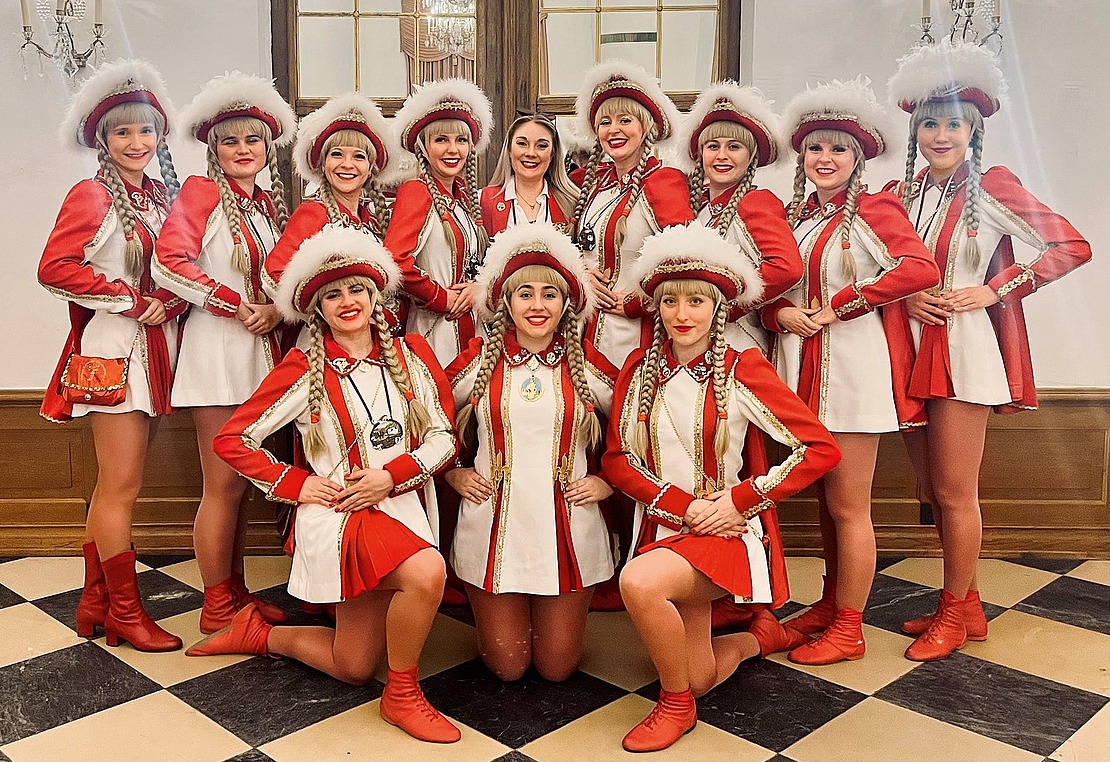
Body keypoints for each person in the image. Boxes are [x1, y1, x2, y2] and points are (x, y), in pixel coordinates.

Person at [189, 226, 460, 744]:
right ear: (317, 310)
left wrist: (390, 476)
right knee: (426, 574)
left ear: (377, 295)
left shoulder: (414, 355)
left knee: (351, 664)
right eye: (331, 294)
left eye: (357, 289)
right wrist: (298, 483)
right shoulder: (303, 369)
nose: (347, 301)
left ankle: (262, 635)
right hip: (340, 515)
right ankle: (402, 694)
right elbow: (234, 440)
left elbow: (444, 438)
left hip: (399, 504)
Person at [887, 42, 1092, 661]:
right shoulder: (902, 191)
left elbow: (1070, 247)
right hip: (911, 348)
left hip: (966, 352)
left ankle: (954, 613)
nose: (940, 133)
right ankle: (967, 604)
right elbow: (890, 271)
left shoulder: (993, 185)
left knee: (955, 490)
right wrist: (906, 303)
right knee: (930, 486)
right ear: (916, 129)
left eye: (953, 122)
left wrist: (993, 290)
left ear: (974, 129)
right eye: (930, 122)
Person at [604, 223, 841, 752]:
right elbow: (619, 461)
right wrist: (685, 507)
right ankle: (758, 638)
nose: (682, 314)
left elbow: (820, 449)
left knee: (641, 586)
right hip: (667, 528)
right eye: (670, 302)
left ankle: (675, 707)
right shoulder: (637, 370)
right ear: (658, 308)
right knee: (702, 674)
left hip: (726, 533)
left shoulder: (742, 368)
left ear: (718, 308)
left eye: (696, 301)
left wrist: (739, 501)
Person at [763, 78, 940, 666]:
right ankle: (829, 602)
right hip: (803, 369)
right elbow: (777, 278)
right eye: (816, 149)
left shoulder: (873, 208)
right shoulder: (794, 215)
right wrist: (781, 310)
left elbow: (919, 268)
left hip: (857, 373)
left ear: (858, 157)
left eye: (839, 149)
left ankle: (849, 625)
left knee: (848, 505)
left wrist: (842, 306)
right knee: (825, 502)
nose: (826, 160)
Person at [38, 59, 185, 652]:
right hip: (114, 355)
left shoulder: (159, 195)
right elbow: (54, 269)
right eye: (123, 131)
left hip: (153, 356)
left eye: (146, 130)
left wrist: (169, 303)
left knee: (118, 487)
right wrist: (128, 299)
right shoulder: (91, 194)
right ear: (102, 138)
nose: (137, 142)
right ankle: (124, 611)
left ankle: (95, 600)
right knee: (118, 489)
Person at [153, 72, 297, 634]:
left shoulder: (264, 205)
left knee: (240, 484)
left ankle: (235, 592)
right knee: (223, 484)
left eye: (253, 141)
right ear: (214, 148)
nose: (244, 150)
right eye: (231, 141)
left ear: (268, 149)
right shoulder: (200, 191)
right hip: (215, 355)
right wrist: (236, 304)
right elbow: (170, 262)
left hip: (257, 356)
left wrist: (275, 310)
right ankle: (216, 603)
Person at [444, 222, 617, 681]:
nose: (537, 306)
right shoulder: (479, 357)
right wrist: (452, 472)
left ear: (566, 304)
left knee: (557, 669)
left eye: (549, 294)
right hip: (492, 526)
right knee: (508, 668)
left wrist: (609, 478)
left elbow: (639, 418)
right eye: (525, 294)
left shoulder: (586, 361)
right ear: (506, 303)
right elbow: (426, 416)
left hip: (569, 526)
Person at [570, 60, 695, 370]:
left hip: (637, 335)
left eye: (625, 120)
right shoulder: (593, 183)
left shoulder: (664, 181)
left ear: (646, 128)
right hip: (582, 330)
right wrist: (580, 272)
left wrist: (637, 302)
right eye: (605, 122)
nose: (614, 130)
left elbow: (685, 261)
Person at [672, 81, 803, 356]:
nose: (721, 156)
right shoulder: (695, 206)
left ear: (750, 156)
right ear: (700, 154)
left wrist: (724, 305)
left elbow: (786, 268)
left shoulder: (756, 202)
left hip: (736, 341)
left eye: (734, 147)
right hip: (689, 337)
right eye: (713, 146)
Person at [387, 78, 493, 367]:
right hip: (435, 331)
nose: (452, 149)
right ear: (424, 146)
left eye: (461, 140)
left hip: (473, 328)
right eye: (441, 140)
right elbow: (396, 261)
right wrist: (440, 298)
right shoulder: (416, 191)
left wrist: (477, 288)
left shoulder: (464, 198)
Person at [264, 92, 408, 295]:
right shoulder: (313, 213)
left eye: (358, 156)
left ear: (371, 168)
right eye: (337, 154)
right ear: (323, 164)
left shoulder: (371, 220)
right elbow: (274, 275)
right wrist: (324, 310)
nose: (347, 165)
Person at [480, 113, 578, 235]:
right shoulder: (482, 201)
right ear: (509, 149)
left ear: (553, 154)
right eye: (522, 143)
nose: (531, 153)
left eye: (541, 146)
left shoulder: (573, 203)